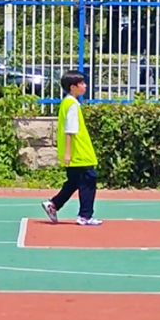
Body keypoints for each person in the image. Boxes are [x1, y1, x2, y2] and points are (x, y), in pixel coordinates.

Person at [41, 70, 102, 226]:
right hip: (79, 153)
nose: (85, 86)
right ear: (73, 87)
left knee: (74, 181)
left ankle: (54, 204)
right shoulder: (73, 105)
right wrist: (68, 153)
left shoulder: (66, 103)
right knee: (89, 180)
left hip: (75, 153)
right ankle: (85, 215)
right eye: (81, 83)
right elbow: (70, 129)